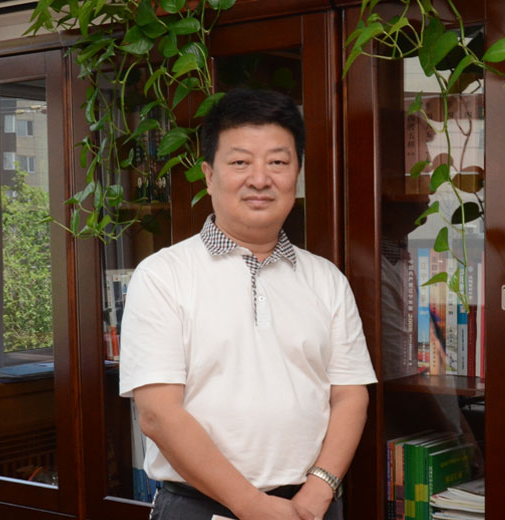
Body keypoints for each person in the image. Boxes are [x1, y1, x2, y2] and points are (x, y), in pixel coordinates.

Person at [119, 89, 377, 520]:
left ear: (297, 173)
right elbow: (158, 415)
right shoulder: (163, 275)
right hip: (201, 507)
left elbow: (350, 395)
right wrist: (253, 507)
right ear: (208, 175)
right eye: (240, 163)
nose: (260, 179)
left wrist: (317, 494)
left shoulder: (326, 279)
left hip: (311, 507)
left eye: (278, 162)